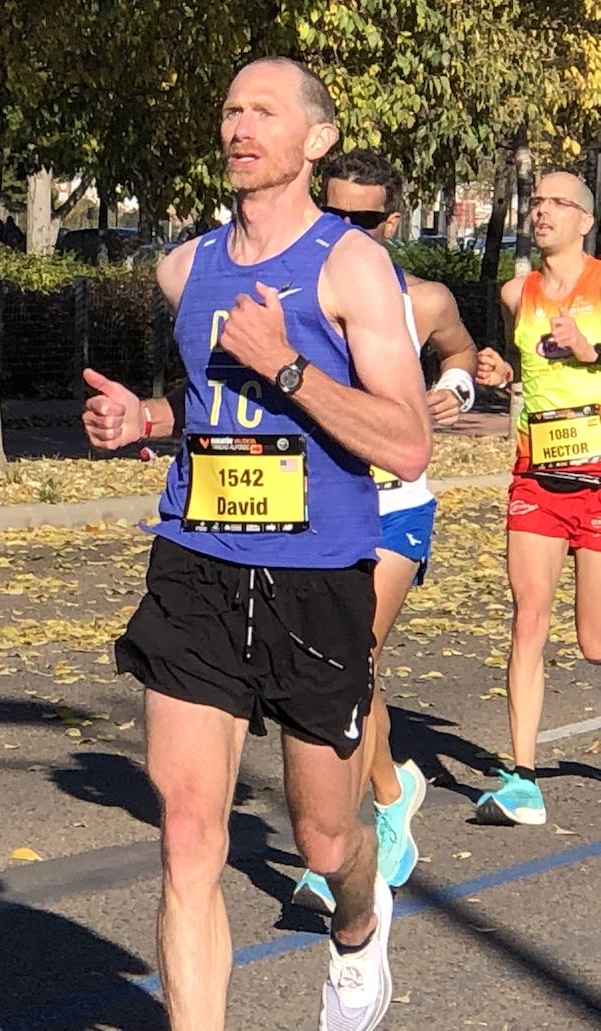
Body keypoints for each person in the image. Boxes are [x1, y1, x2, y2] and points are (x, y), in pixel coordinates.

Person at [82, 58, 431, 1031]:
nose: (240, 126)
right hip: (195, 565)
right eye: (231, 109)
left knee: (323, 837)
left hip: (316, 578)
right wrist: (142, 422)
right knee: (189, 833)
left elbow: (406, 441)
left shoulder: (351, 265)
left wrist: (287, 364)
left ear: (315, 139)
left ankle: (359, 928)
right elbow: (201, 411)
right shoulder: (184, 267)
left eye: (264, 112)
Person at [288, 149, 479, 914]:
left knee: (350, 656)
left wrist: (454, 387)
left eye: (361, 220)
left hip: (396, 505)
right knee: (339, 669)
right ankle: (394, 790)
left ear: (390, 224)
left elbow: (461, 351)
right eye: (332, 215)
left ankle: (350, 836)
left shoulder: (423, 298)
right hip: (321, 506)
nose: (344, 230)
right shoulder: (294, 291)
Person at [474, 170, 601, 826]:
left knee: (594, 640)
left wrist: (595, 350)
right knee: (528, 619)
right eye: (538, 201)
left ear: (585, 219)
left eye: (558, 204)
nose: (542, 211)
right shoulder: (514, 292)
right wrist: (501, 376)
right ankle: (523, 777)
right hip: (537, 479)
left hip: (600, 478)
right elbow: (529, 377)